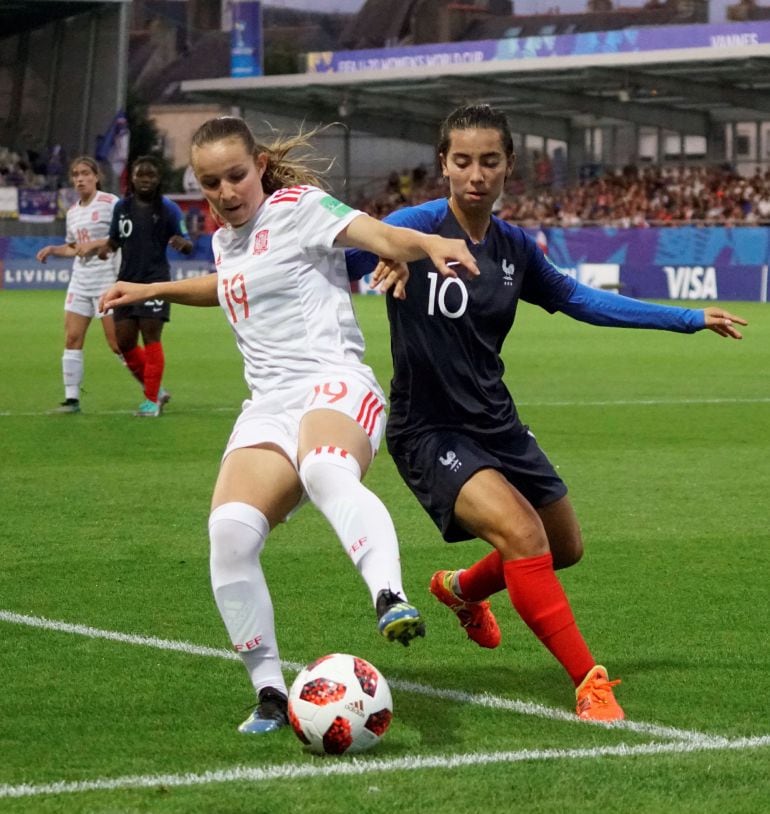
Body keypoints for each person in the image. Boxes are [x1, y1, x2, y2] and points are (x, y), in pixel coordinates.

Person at [346, 104, 748, 722]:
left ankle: (460, 589)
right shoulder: (408, 227)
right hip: (429, 427)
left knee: (563, 546)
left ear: (509, 167)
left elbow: (581, 300)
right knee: (523, 534)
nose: (475, 174)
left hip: (496, 421)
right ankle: (589, 682)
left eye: (489, 161)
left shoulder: (513, 248)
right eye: (462, 162)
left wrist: (687, 318)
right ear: (443, 167)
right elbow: (327, 254)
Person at [100, 115, 480, 735]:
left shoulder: (299, 207)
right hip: (269, 404)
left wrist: (426, 247)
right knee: (229, 534)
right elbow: (227, 286)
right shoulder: (226, 240)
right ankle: (271, 693)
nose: (225, 192)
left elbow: (375, 232)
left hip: (334, 381)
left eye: (236, 176)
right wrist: (152, 286)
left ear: (261, 169)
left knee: (324, 467)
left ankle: (388, 594)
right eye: (210, 182)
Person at [91, 155, 193, 417]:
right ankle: (156, 390)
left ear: (158, 179)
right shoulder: (121, 208)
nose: (145, 180)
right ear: (132, 179)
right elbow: (115, 239)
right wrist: (106, 249)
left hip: (155, 282)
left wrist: (183, 243)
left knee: (151, 338)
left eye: (150, 176)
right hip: (126, 281)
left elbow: (187, 240)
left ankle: (151, 402)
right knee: (124, 343)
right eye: (140, 175)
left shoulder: (168, 209)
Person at [36, 156, 120, 413]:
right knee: (72, 338)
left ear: (96, 176)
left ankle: (153, 390)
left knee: (117, 344)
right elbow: (75, 247)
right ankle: (71, 399)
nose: (80, 179)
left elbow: (121, 235)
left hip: (107, 281)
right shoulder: (72, 213)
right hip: (80, 283)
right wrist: (53, 249)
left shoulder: (110, 203)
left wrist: (95, 245)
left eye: (85, 173)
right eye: (75, 175)